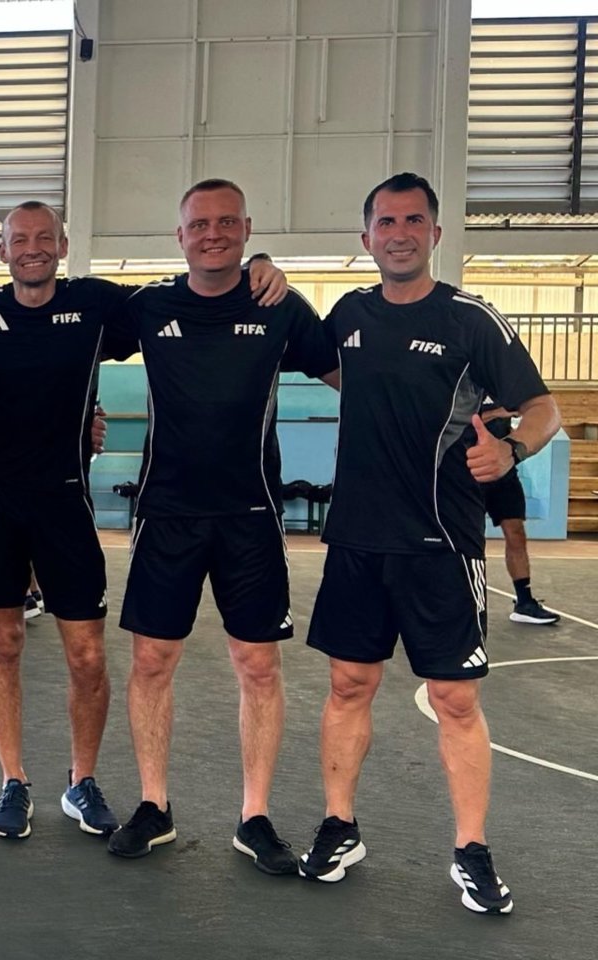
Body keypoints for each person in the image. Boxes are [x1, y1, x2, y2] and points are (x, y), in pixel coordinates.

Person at [0, 201, 288, 840]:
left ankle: (81, 781)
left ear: (62, 246)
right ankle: (13, 780)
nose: (32, 248)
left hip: (66, 502)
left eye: (45, 238)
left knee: (86, 655)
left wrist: (258, 267)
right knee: (3, 643)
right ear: (1, 251)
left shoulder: (99, 303)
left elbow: (191, 290)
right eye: (19, 239)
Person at [302, 172, 562, 915]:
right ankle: (340, 825)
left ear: (436, 234)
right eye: (386, 222)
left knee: (453, 698)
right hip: (357, 540)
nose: (400, 234)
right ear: (367, 238)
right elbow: (332, 368)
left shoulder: (470, 319)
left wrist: (512, 451)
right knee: (348, 686)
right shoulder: (348, 313)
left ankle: (471, 849)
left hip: (441, 543)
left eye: (414, 220)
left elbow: (542, 407)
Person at [106, 180, 337, 874]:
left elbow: (349, 375)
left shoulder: (280, 305)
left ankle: (255, 816)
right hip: (167, 513)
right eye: (200, 224)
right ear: (180, 236)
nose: (213, 234)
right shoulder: (149, 307)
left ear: (246, 228)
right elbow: (66, 334)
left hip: (251, 516)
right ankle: (154, 805)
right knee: (152, 662)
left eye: (227, 223)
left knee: (258, 665)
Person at [479, 402, 560, 625]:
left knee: (516, 532)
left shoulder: (503, 388)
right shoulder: (464, 386)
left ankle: (524, 602)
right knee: (468, 537)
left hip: (503, 472)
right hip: (468, 469)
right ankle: (461, 601)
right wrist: (498, 412)